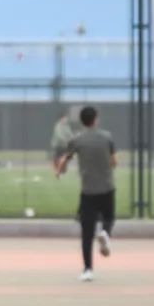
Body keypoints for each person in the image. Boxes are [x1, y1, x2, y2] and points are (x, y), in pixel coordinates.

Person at [55, 106, 117, 282]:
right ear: (95, 119)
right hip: (107, 187)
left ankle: (88, 269)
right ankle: (105, 232)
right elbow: (114, 161)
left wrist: (59, 171)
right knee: (109, 217)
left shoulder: (77, 140)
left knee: (87, 232)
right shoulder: (107, 137)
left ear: (82, 121)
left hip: (88, 191)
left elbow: (65, 159)